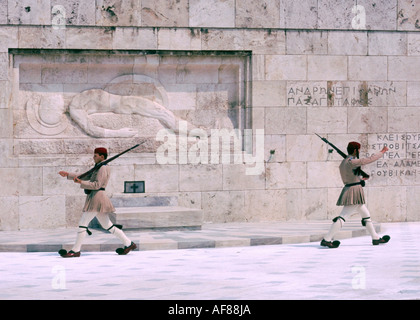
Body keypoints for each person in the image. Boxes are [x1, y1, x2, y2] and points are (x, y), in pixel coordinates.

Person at [58, 147, 137, 257]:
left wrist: (81, 182)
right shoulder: (99, 167)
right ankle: (128, 243)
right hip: (97, 197)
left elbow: (97, 185)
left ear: (102, 156)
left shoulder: (103, 168)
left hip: (97, 198)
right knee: (107, 225)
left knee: (83, 223)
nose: (93, 157)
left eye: (95, 155)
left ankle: (75, 250)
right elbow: (87, 175)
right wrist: (68, 175)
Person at [321, 142, 391, 248]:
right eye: (358, 150)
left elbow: (350, 177)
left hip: (353, 189)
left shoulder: (344, 162)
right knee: (343, 216)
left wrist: (360, 179)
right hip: (353, 192)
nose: (359, 151)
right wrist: (382, 152)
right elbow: (368, 159)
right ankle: (326, 239)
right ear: (355, 151)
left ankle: (375, 238)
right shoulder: (351, 161)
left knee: (366, 215)